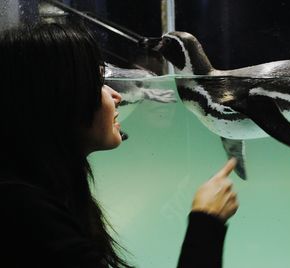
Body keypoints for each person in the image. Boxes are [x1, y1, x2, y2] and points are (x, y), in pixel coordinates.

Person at [0, 23, 239, 268]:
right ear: (60, 96)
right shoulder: (24, 213)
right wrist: (206, 222)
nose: (117, 96)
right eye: (98, 82)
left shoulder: (31, 196)